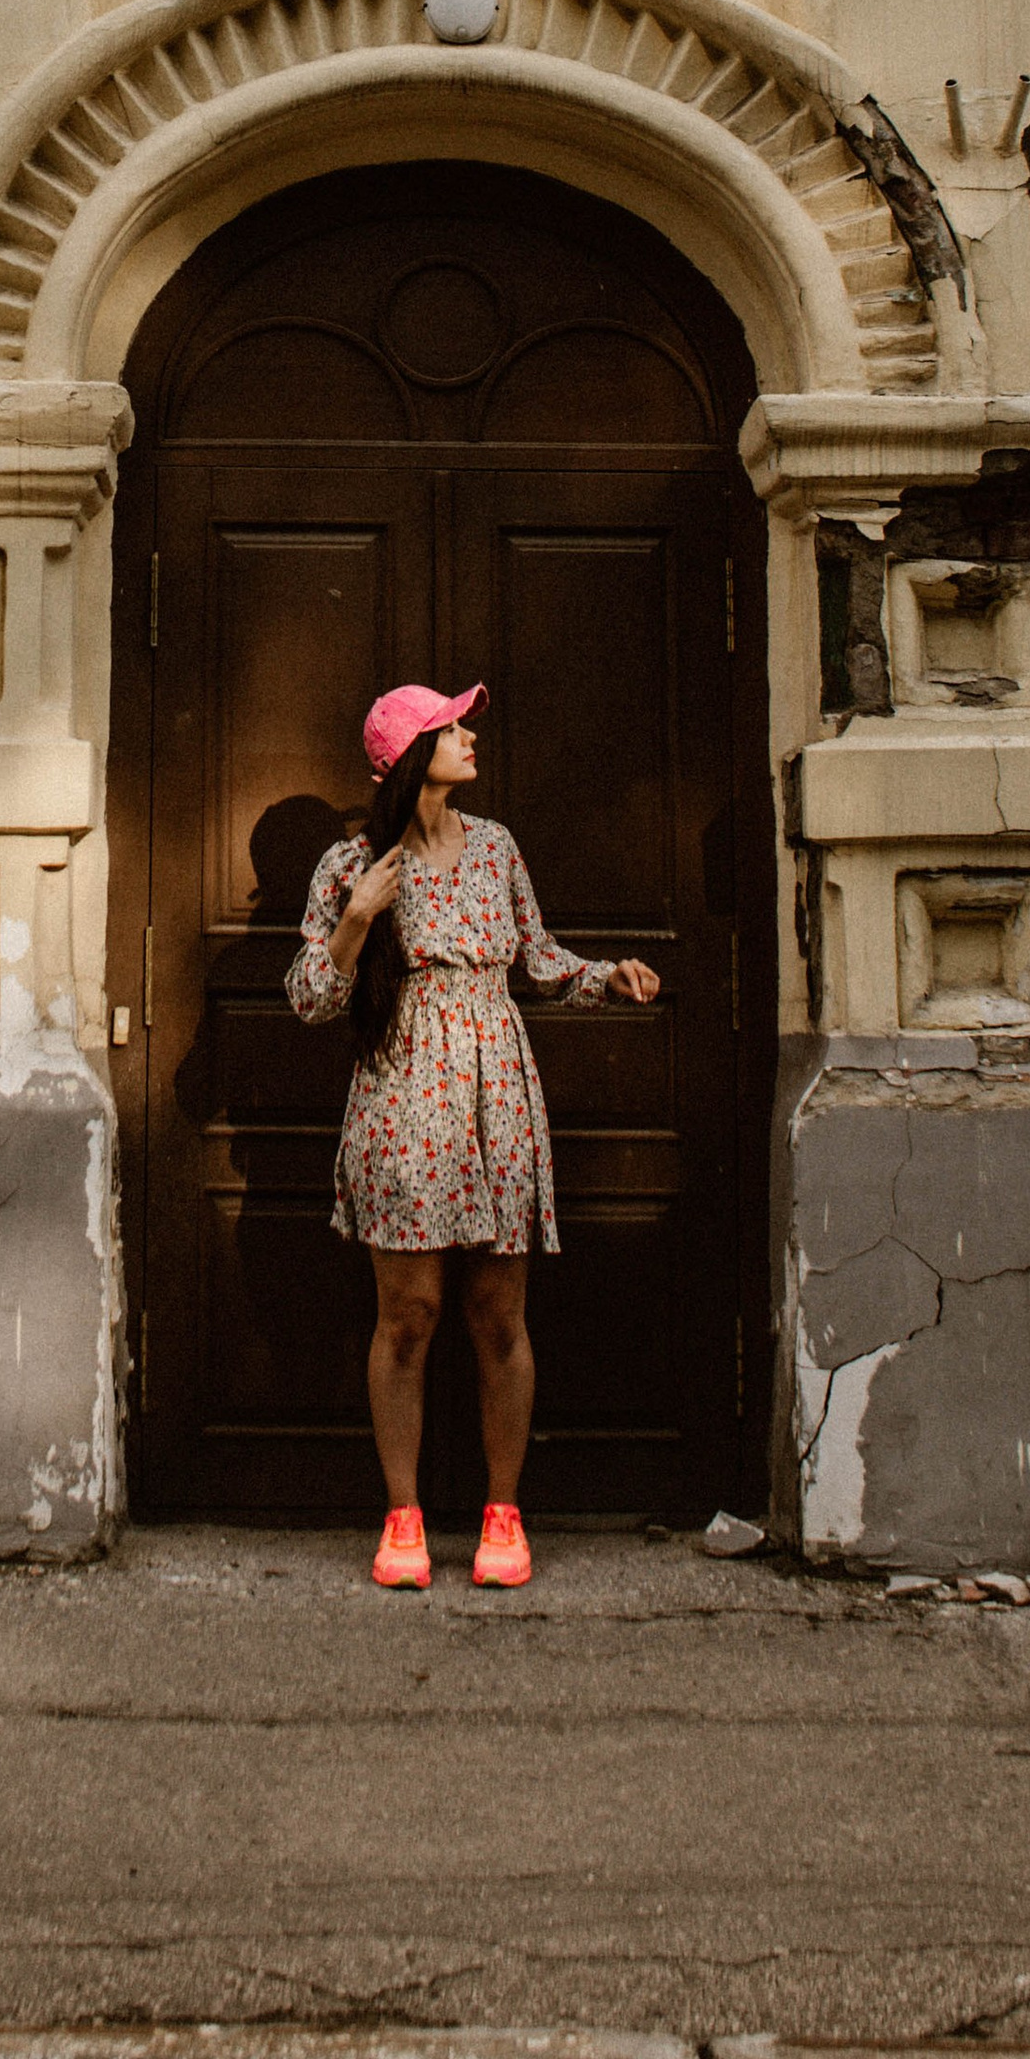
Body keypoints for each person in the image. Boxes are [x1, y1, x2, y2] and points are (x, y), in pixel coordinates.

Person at [286, 682, 660, 1593]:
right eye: (453, 726)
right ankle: (404, 1517)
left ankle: (503, 1513)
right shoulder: (353, 864)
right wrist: (358, 918)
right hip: (404, 1095)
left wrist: (603, 978)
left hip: (498, 1092)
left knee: (499, 1315)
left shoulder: (495, 847)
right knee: (407, 1317)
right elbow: (306, 998)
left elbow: (535, 955)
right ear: (413, 753)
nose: (470, 735)